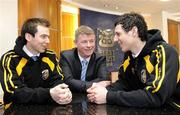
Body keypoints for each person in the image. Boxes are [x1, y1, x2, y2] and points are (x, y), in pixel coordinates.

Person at [87, 12, 180, 108]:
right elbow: (124, 83)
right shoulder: (129, 55)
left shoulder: (165, 52)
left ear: (134, 31)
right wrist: (103, 90)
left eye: (118, 34)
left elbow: (156, 96)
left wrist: (108, 96)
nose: (115, 39)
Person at [0, 18, 72, 109]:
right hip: (17, 109)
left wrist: (63, 93)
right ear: (28, 37)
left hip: (47, 108)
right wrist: (49, 93)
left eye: (48, 37)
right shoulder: (10, 58)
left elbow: (58, 80)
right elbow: (14, 92)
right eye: (43, 36)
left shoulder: (50, 56)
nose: (48, 41)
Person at [59, 25, 110, 93]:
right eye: (84, 42)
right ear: (75, 43)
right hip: (71, 97)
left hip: (93, 96)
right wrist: (93, 84)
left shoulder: (100, 58)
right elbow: (67, 81)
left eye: (91, 41)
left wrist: (76, 84)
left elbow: (104, 79)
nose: (89, 45)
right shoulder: (66, 57)